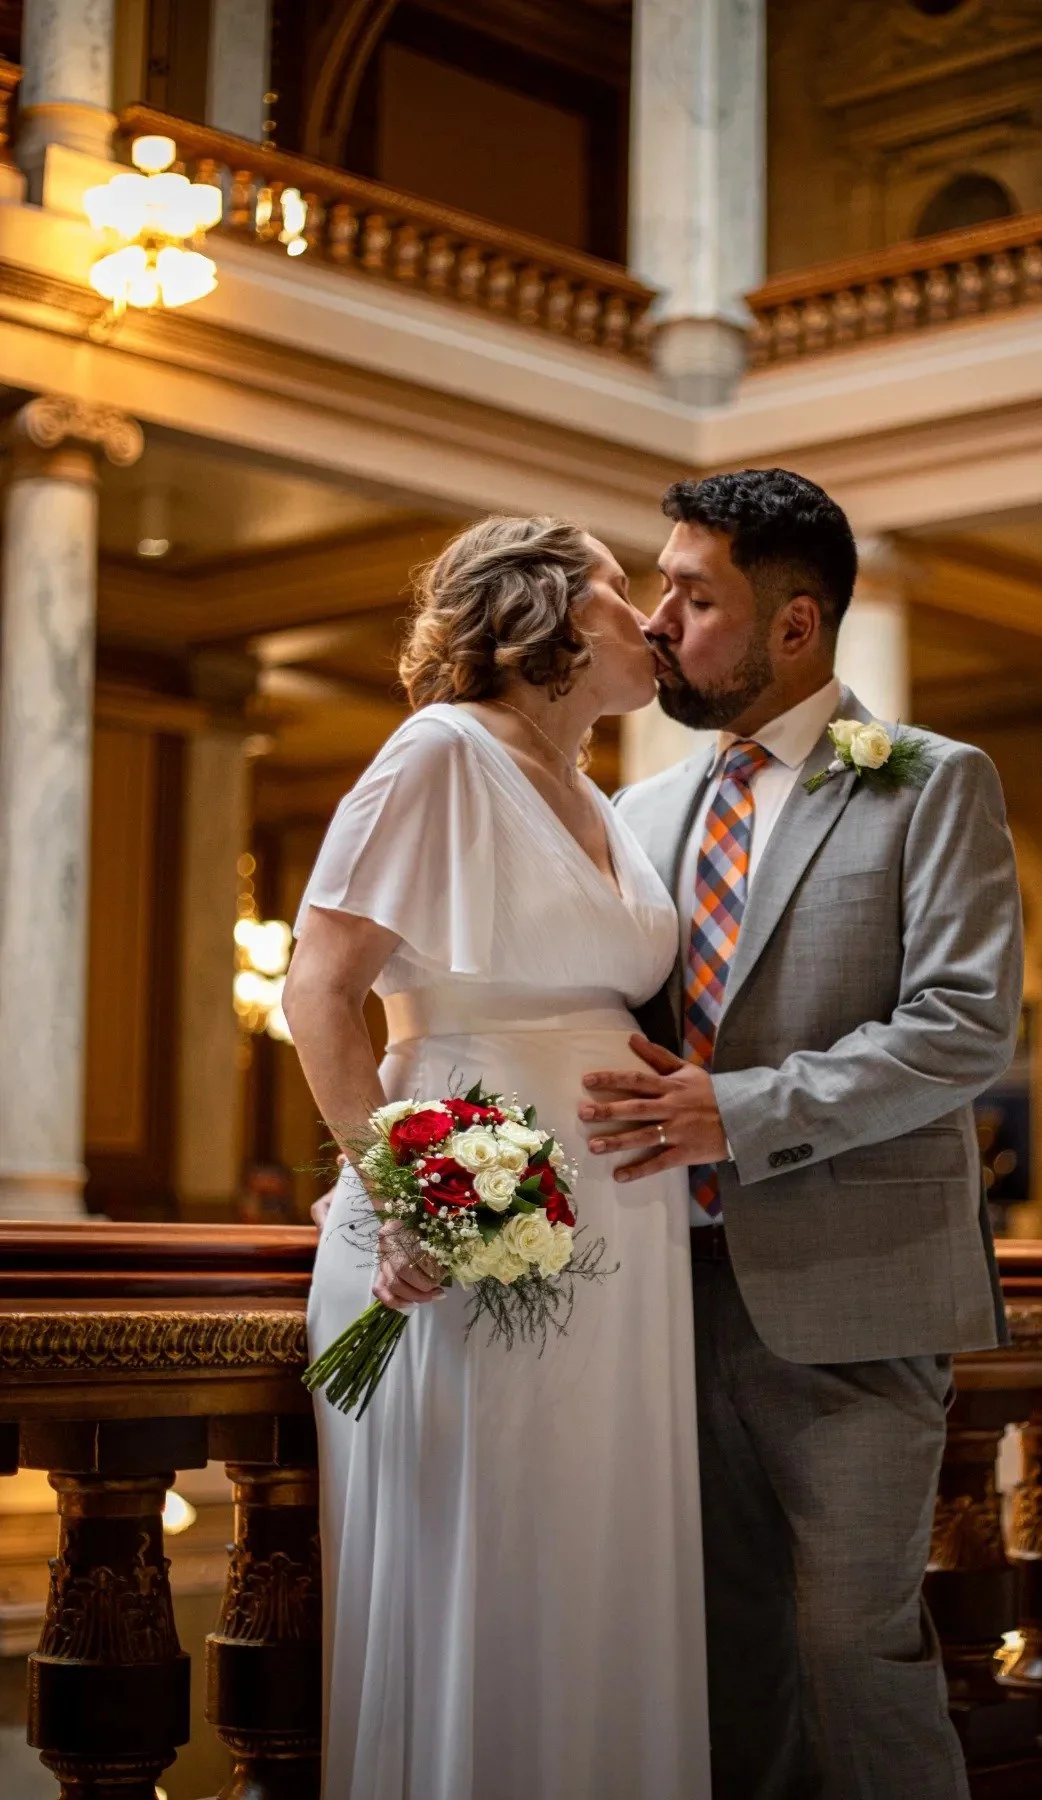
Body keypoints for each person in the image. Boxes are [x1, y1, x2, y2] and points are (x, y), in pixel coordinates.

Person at [578, 469, 1024, 1800]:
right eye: (660, 586)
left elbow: (961, 1030)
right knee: (721, 1661)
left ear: (795, 624)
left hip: (856, 1299)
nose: (658, 620)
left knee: (853, 1648)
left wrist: (744, 1110)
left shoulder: (931, 784)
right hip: (659, 1305)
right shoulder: (638, 818)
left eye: (693, 595)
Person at [285, 517, 710, 1800]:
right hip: (464, 1215)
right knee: (494, 1555)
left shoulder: (603, 795)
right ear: (551, 618)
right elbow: (317, 991)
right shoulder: (441, 752)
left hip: (625, 1232)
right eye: (619, 592)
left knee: (600, 1559)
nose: (647, 619)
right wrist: (407, 1198)